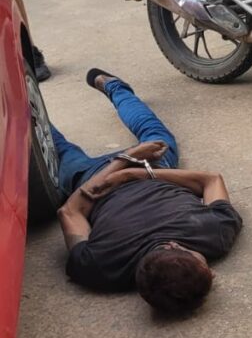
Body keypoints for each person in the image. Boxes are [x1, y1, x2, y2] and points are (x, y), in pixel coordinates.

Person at [55, 69, 242, 314]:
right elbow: (211, 180)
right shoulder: (99, 270)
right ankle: (111, 87)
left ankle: (107, 88)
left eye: (206, 268)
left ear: (173, 246)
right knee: (153, 133)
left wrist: (125, 162)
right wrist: (132, 173)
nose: (214, 271)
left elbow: (69, 211)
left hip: (106, 174)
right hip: (142, 169)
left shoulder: (214, 233)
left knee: (56, 148)